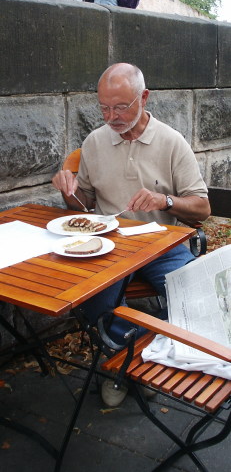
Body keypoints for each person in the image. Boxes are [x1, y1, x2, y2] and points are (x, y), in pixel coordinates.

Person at [52, 63, 211, 404]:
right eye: (104, 108)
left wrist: (165, 200)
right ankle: (134, 360)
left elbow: (203, 208)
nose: (112, 117)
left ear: (144, 97)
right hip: (108, 245)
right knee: (100, 310)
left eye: (121, 107)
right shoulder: (94, 142)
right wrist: (69, 190)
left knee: (196, 304)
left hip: (162, 243)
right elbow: (83, 206)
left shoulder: (171, 141)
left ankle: (137, 360)